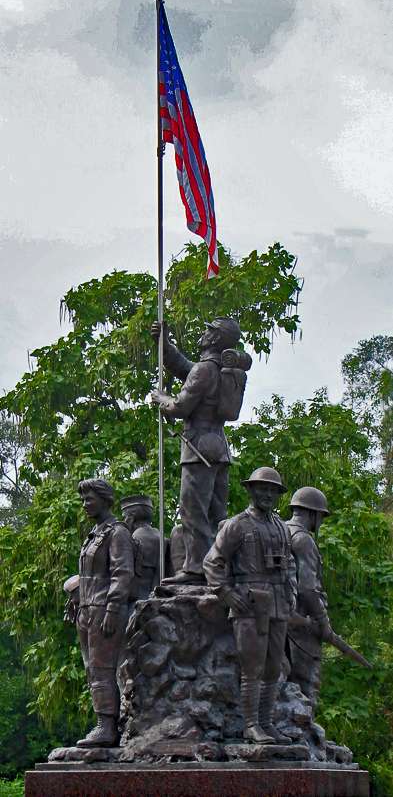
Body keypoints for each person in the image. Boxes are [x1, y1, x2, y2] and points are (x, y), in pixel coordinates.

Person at [204, 467, 297, 744]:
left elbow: (290, 563)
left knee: (272, 668)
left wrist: (291, 592)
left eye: (273, 490)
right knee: (252, 668)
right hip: (249, 604)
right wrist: (226, 593)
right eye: (262, 489)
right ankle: (251, 725)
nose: (267, 494)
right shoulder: (237, 525)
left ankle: (267, 723)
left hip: (278, 604)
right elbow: (212, 561)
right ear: (252, 490)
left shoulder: (281, 525)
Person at [151, 317, 244, 583]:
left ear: (215, 338)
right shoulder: (214, 369)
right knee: (216, 515)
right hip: (219, 448)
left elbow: (181, 407)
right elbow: (182, 366)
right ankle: (218, 567)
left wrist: (162, 400)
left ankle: (195, 569)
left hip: (199, 448)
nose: (203, 334)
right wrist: (163, 343)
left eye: (208, 331)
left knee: (193, 511)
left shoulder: (205, 370)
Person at [76, 478, 134, 747]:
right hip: (86, 609)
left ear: (105, 499)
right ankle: (103, 721)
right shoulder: (94, 534)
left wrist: (113, 608)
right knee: (92, 670)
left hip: (104, 609)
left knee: (103, 668)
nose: (85, 504)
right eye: (83, 499)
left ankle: (108, 726)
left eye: (90, 499)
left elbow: (122, 574)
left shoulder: (117, 532)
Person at [286, 486, 332, 710]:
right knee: (306, 686)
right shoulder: (303, 540)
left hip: (281, 622)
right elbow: (308, 588)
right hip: (303, 628)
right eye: (320, 516)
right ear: (314, 514)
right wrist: (323, 622)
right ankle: (305, 735)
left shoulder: (279, 530)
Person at [120, 494, 160, 603]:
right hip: (156, 597)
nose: (124, 520)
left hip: (137, 600)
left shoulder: (134, 537)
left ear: (131, 517)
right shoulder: (159, 535)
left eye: (125, 516)